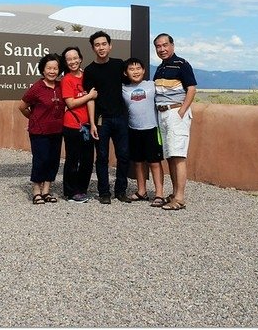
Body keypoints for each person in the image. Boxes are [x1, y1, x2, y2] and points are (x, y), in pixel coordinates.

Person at [83, 31, 132, 204]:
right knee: (102, 156)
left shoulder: (119, 65)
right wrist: (92, 123)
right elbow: (90, 99)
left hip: (120, 117)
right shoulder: (89, 71)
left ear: (110, 46)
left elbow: (131, 83)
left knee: (124, 155)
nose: (101, 47)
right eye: (97, 45)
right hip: (101, 119)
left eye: (104, 44)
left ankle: (121, 191)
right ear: (93, 48)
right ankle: (104, 192)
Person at [153, 33, 197, 211]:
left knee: (178, 156)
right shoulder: (160, 68)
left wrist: (181, 111)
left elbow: (192, 88)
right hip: (162, 114)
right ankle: (174, 193)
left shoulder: (182, 64)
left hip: (175, 112)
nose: (162, 49)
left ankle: (179, 198)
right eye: (158, 46)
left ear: (172, 45)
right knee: (170, 155)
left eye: (165, 45)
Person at [18, 53, 65, 204]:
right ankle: (36, 191)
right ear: (43, 70)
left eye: (55, 68)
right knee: (41, 159)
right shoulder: (36, 88)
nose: (52, 71)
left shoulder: (60, 86)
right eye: (49, 68)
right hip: (39, 132)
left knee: (53, 161)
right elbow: (22, 107)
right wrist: (33, 119)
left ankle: (46, 191)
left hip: (57, 130)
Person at [121, 57, 166, 206]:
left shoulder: (151, 85)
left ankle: (159, 193)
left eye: (138, 68)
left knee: (154, 162)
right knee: (138, 162)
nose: (135, 71)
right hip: (134, 129)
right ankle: (142, 191)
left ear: (144, 70)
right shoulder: (123, 88)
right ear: (126, 72)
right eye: (131, 69)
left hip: (152, 129)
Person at [60, 46, 97, 203]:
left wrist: (93, 123)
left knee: (88, 160)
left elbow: (92, 100)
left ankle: (81, 189)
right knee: (73, 159)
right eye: (69, 59)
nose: (73, 61)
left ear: (80, 58)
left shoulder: (87, 76)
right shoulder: (67, 79)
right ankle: (70, 192)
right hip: (72, 125)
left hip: (87, 125)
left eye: (75, 58)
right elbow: (71, 103)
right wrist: (89, 95)